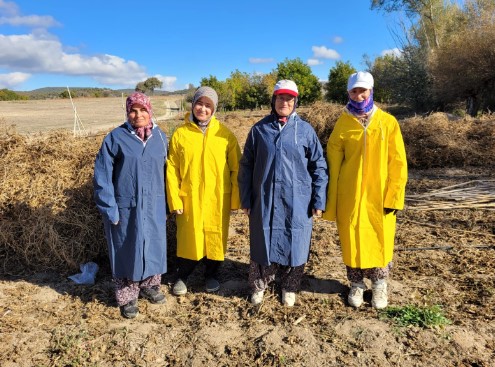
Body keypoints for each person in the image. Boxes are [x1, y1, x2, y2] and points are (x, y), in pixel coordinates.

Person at [238, 80, 328, 307]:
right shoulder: (259, 130)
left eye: (289, 99)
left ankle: (290, 286)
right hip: (265, 198)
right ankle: (259, 285)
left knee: (296, 242)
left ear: (295, 101)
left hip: (298, 199)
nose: (284, 102)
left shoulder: (305, 131)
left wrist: (319, 199)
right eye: (280, 98)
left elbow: (318, 166)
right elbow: (246, 166)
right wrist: (246, 198)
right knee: (262, 241)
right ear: (273, 100)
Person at [322, 71, 408, 309]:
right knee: (352, 239)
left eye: (363, 90)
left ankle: (380, 285)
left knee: (380, 238)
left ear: (371, 91)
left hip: (379, 196)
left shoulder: (388, 122)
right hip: (350, 196)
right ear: (348, 93)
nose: (358, 95)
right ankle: (357, 284)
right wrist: (331, 200)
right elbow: (332, 162)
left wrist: (394, 196)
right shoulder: (343, 123)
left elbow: (398, 163)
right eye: (354, 91)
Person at [93, 92, 168, 319]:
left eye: (143, 110)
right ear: (127, 112)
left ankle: (149, 286)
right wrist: (110, 208)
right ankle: (127, 296)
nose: (138, 115)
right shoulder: (115, 138)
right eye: (133, 110)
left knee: (153, 246)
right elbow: (102, 176)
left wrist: (168, 205)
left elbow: (169, 173)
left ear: (150, 111)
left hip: (154, 204)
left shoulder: (161, 138)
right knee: (126, 249)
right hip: (126, 206)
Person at [166, 86, 242, 295]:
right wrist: (175, 200)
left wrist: (235, 200)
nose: (203, 109)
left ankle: (212, 275)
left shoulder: (225, 135)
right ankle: (183, 276)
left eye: (208, 105)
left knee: (215, 238)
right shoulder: (180, 134)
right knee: (189, 238)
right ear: (193, 105)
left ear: (214, 108)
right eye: (200, 103)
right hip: (189, 198)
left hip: (218, 198)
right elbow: (172, 169)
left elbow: (237, 168)